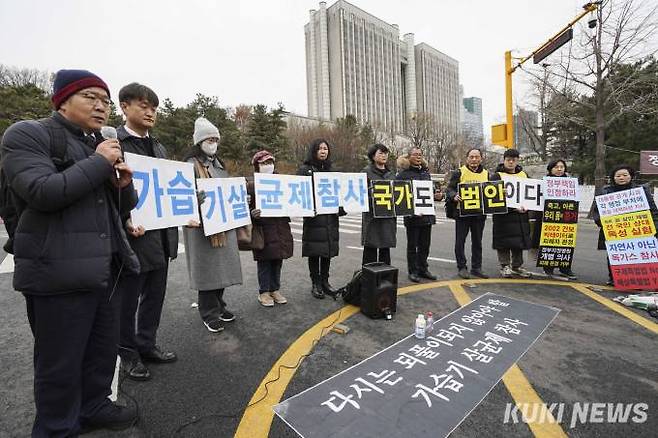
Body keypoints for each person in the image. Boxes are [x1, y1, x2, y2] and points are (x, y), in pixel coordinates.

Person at [1, 69, 139, 435]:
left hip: (105, 271)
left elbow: (121, 207)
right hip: (56, 274)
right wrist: (99, 162)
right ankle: (55, 427)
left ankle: (94, 406)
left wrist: (123, 184)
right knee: (59, 363)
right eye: (90, 97)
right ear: (62, 99)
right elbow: (43, 191)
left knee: (101, 352)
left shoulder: (96, 144)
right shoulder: (28, 134)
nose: (101, 106)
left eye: (106, 100)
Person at [115, 83, 178, 381]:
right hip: (133, 239)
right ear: (124, 107)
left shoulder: (159, 147)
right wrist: (124, 218)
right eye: (143, 105)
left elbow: (167, 190)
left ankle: (146, 344)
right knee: (127, 302)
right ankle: (128, 354)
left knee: (155, 297)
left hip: (161, 237)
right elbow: (106, 192)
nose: (150, 112)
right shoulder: (115, 143)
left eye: (154, 107)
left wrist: (188, 209)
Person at [183, 117, 243, 332]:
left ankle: (219, 305)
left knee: (221, 269)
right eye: (208, 139)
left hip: (222, 224)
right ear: (198, 142)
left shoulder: (219, 164)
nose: (213, 142)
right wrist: (196, 199)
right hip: (201, 228)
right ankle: (208, 312)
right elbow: (182, 196)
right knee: (208, 270)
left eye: (215, 139)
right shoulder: (190, 166)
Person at [592, 164, 658, 285]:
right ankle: (614, 278)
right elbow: (597, 212)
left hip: (638, 230)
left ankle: (640, 279)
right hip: (615, 231)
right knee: (615, 255)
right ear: (613, 178)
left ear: (631, 176)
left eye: (625, 175)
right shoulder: (606, 192)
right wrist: (604, 223)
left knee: (637, 255)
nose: (621, 178)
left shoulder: (641, 191)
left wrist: (655, 227)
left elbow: (652, 210)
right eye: (618, 175)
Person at [297, 138, 342, 299]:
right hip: (314, 219)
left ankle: (325, 281)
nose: (323, 151)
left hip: (330, 219)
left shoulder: (332, 170)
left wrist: (342, 208)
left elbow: (340, 193)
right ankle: (315, 283)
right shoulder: (305, 170)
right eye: (320, 148)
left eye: (326, 148)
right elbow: (299, 194)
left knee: (327, 252)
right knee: (315, 252)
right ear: (314, 151)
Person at [248, 150, 294, 307]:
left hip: (280, 227)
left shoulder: (283, 183)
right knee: (264, 262)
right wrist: (252, 214)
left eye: (270, 162)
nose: (267, 166)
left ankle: (275, 289)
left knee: (277, 260)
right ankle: (264, 292)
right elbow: (243, 208)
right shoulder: (251, 185)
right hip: (263, 229)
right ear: (256, 166)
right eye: (263, 163)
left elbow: (292, 201)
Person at [445, 148, 492, 279]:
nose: (474, 159)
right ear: (467, 159)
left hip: (479, 214)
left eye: (477, 157)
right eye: (471, 157)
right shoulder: (459, 172)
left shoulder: (487, 174)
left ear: (481, 159)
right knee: (460, 241)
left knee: (477, 242)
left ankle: (477, 267)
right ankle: (462, 267)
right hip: (462, 213)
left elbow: (492, 190)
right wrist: (454, 195)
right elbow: (449, 188)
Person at [396, 147, 438, 283]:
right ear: (409, 157)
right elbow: (399, 197)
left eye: (420, 154)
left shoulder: (426, 173)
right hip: (412, 217)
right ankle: (413, 271)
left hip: (427, 215)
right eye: (415, 155)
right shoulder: (403, 175)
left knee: (425, 245)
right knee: (412, 245)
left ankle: (423, 269)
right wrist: (411, 211)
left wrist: (436, 195)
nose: (418, 157)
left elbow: (430, 192)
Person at [530, 159, 578, 280]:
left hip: (565, 218)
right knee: (547, 242)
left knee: (564, 243)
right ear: (550, 169)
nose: (559, 169)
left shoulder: (570, 183)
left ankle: (565, 268)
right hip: (546, 217)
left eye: (562, 167)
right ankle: (548, 267)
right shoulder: (543, 182)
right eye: (556, 167)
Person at [492, 149, 532, 278]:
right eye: (508, 159)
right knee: (503, 242)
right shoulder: (497, 176)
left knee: (518, 242)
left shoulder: (524, 175)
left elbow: (531, 194)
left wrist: (528, 207)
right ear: (504, 160)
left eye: (513, 160)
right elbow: (490, 198)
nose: (510, 162)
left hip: (521, 216)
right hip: (503, 216)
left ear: (517, 160)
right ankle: (504, 266)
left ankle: (517, 266)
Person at [361, 143, 397, 265]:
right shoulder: (366, 173)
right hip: (372, 217)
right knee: (370, 248)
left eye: (386, 153)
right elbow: (360, 194)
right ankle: (368, 278)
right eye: (380, 153)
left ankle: (385, 278)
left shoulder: (391, 174)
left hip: (388, 217)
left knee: (385, 248)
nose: (384, 156)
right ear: (373, 156)